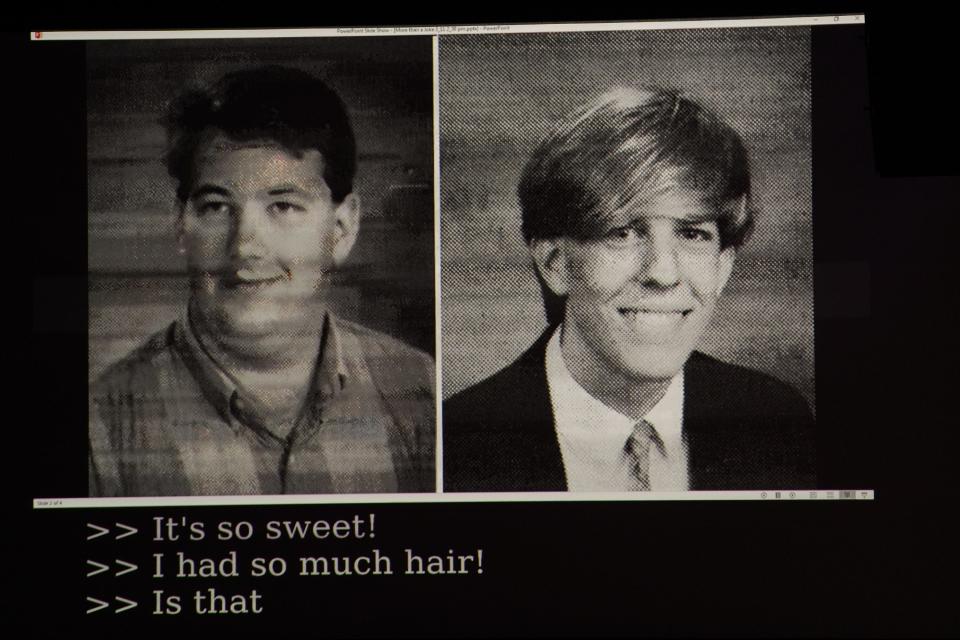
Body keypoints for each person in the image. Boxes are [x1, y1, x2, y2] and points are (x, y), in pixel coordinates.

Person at [443, 87, 815, 492]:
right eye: (622, 233)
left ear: (723, 266)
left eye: (692, 233)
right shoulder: (455, 446)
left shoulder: (775, 422)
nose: (662, 272)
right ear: (555, 263)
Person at [89, 66, 435, 496]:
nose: (246, 247)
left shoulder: (424, 395)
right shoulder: (99, 430)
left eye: (284, 206)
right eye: (216, 206)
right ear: (182, 225)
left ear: (342, 229)